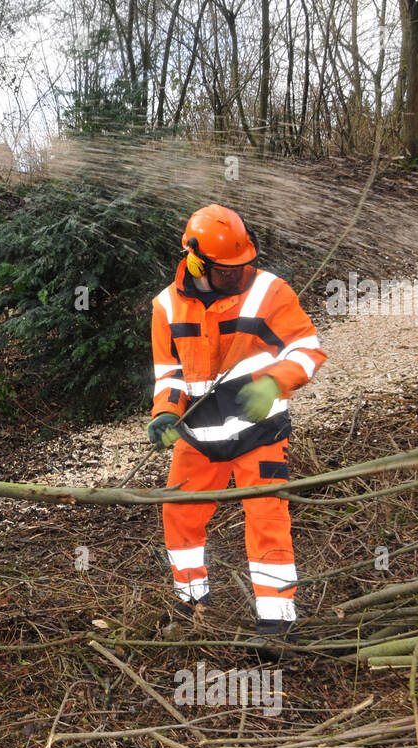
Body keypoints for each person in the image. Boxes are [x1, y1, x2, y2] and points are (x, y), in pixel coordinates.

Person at [146, 204, 326, 656]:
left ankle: (278, 624)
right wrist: (165, 413)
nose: (240, 274)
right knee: (180, 517)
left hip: (259, 430)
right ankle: (192, 606)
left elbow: (308, 348)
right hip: (198, 437)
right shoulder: (166, 306)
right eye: (228, 270)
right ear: (196, 262)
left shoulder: (270, 291)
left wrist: (276, 382)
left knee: (267, 518)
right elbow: (167, 374)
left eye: (244, 263)